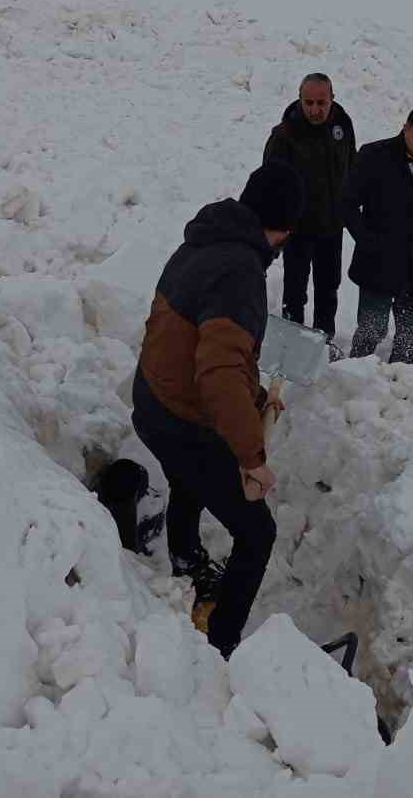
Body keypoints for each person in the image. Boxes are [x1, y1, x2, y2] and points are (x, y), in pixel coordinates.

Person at [130, 161, 304, 657]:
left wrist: (252, 400)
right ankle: (223, 645)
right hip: (179, 416)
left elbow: (207, 350)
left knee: (192, 475)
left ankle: (186, 561)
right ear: (285, 230)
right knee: (258, 532)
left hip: (153, 396)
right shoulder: (242, 274)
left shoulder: (203, 239)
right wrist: (252, 458)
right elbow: (219, 373)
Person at [341, 105, 413, 365]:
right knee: (371, 331)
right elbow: (346, 203)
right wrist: (367, 240)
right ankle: (355, 380)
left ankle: (402, 388)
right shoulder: (374, 155)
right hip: (379, 261)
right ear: (405, 128)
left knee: (409, 335)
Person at [263, 73, 356, 341]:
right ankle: (291, 343)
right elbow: (269, 185)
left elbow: (352, 165)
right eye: (309, 102)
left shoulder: (342, 123)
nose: (315, 109)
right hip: (298, 230)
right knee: (295, 290)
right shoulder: (284, 136)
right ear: (299, 99)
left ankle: (323, 340)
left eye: (321, 103)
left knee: (329, 289)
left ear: (332, 99)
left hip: (331, 226)